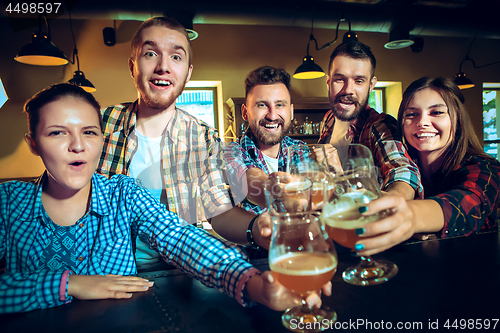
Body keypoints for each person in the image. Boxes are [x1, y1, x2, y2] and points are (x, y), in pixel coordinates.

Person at [0, 83, 329, 314]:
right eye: (58, 132)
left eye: (89, 132)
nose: (78, 146)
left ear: (102, 139)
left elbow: (181, 238)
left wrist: (252, 283)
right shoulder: (8, 202)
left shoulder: (123, 192)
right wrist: (67, 285)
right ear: (33, 143)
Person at [97, 17, 253, 269]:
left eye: (176, 57)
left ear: (188, 73)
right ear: (132, 66)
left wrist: (259, 229)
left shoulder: (203, 137)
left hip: (176, 274)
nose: (163, 66)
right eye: (150, 53)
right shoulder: (99, 125)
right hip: (104, 273)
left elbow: (220, 211)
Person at [352, 77, 500, 257]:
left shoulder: (486, 169)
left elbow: (468, 203)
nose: (422, 122)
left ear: (458, 120)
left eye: (436, 112)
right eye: (412, 114)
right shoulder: (402, 168)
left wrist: (410, 215)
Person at [318, 41, 422, 200]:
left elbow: (402, 171)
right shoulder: (328, 119)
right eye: (340, 79)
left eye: (358, 81)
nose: (348, 90)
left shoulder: (380, 126)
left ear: (371, 85)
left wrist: (393, 198)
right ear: (328, 82)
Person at [217, 66, 304, 248]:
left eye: (280, 104)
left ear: (291, 111)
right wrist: (279, 194)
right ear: (245, 112)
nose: (272, 115)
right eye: (262, 105)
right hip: (253, 265)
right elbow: (246, 178)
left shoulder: (301, 150)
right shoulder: (230, 153)